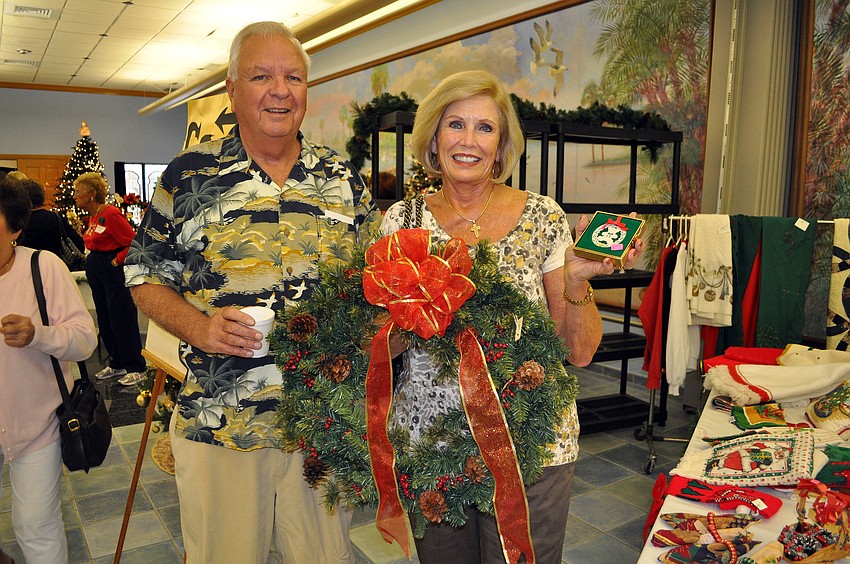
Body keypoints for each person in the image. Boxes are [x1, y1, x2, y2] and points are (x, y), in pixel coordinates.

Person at [124, 21, 381, 564]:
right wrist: (201, 327)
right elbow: (143, 276)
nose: (279, 90)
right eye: (261, 76)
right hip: (221, 419)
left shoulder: (343, 178)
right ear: (231, 88)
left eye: (293, 77)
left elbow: (376, 281)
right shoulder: (189, 179)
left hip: (324, 422)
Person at [379, 70, 644, 563]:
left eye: (485, 128)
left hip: (530, 445)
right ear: (434, 139)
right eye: (455, 124)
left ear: (501, 147)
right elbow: (384, 345)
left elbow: (580, 352)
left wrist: (577, 279)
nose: (468, 141)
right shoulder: (403, 221)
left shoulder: (543, 217)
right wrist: (409, 311)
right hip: (433, 444)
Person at [0, 176, 97, 563]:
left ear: (16, 231)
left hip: (36, 424)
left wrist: (37, 334)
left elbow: (85, 339)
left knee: (35, 526)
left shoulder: (43, 267)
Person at [73, 172, 146, 386]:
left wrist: (116, 261)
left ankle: (136, 366)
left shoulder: (111, 214)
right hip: (98, 271)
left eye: (79, 192)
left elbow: (133, 242)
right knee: (105, 319)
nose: (75, 196)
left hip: (112, 271)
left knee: (121, 317)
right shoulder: (95, 216)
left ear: (92, 194)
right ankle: (116, 363)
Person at [20, 178, 85, 261]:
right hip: (54, 266)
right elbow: (79, 244)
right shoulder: (56, 218)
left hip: (25, 268)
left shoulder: (17, 222)